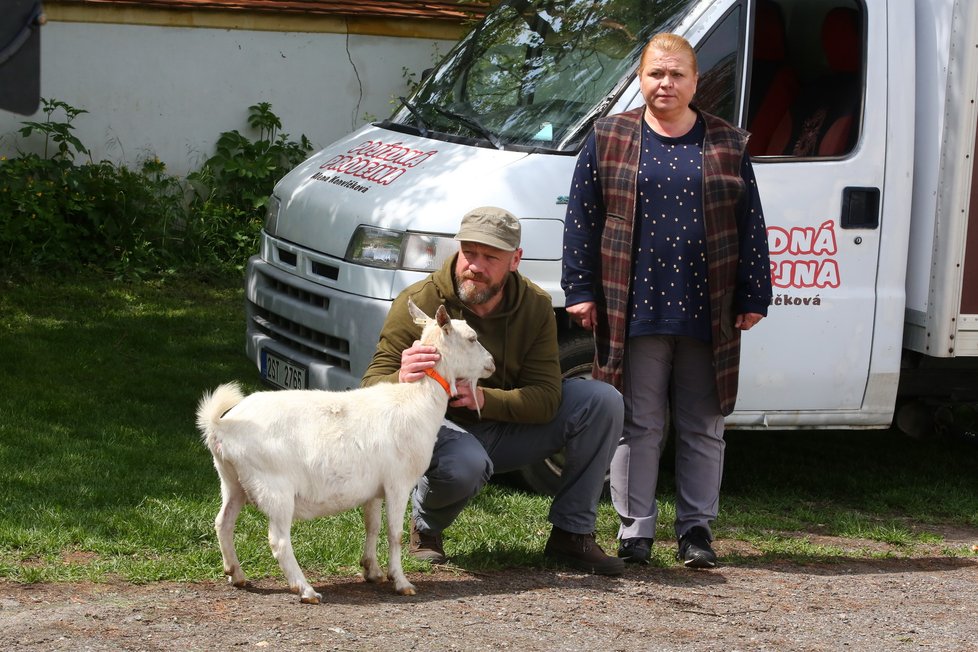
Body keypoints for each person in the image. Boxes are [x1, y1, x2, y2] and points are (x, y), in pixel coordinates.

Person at [561, 33, 772, 569]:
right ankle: (635, 532)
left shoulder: (728, 142)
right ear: (640, 78)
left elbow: (751, 226)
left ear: (696, 82)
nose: (666, 84)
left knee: (704, 422)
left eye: (677, 74)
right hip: (633, 305)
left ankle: (696, 532)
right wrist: (580, 289)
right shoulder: (607, 136)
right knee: (639, 422)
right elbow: (582, 219)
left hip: (711, 306)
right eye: (656, 73)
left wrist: (754, 293)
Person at [361, 206, 626, 576]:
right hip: (439, 431)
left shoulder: (534, 306)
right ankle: (426, 527)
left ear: (515, 260)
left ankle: (573, 533)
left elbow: (548, 397)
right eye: (469, 253)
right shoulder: (420, 301)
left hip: (502, 423)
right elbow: (369, 385)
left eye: (490, 257)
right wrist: (401, 375)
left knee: (602, 401)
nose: (475, 265)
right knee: (466, 463)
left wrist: (487, 399)